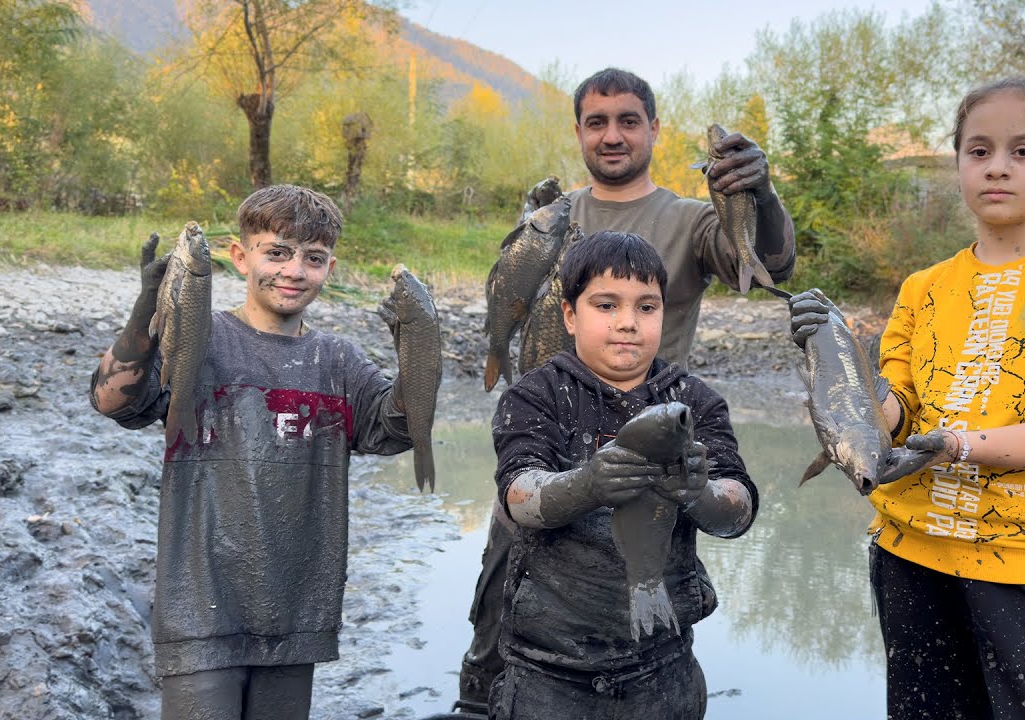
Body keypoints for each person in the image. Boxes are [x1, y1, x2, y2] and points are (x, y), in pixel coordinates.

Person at [791, 75, 1025, 719]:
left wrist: (956, 447)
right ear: (958, 163)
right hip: (909, 562)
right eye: (978, 151)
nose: (997, 167)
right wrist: (835, 369)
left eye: (1022, 150)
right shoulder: (923, 288)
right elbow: (894, 418)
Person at [455, 66, 797, 712]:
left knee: (646, 611)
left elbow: (773, 266)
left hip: (656, 454)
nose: (612, 136)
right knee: (503, 603)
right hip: (548, 442)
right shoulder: (551, 218)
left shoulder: (693, 218)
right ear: (580, 132)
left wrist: (765, 195)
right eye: (597, 122)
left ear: (654, 130)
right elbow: (508, 297)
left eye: (628, 121)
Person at [89, 185, 419, 720]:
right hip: (199, 604)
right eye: (277, 252)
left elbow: (395, 428)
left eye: (312, 259)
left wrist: (416, 349)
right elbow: (110, 400)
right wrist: (147, 311)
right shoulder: (201, 335)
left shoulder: (338, 359)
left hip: (296, 609)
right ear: (240, 257)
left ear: (329, 268)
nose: (293, 270)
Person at [487, 230, 757, 719]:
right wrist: (586, 485)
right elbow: (519, 495)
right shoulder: (535, 396)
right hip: (549, 668)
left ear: (664, 313)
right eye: (606, 305)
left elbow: (736, 510)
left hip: (665, 665)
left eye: (646, 307)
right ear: (570, 315)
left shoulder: (694, 401)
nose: (628, 323)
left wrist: (700, 495)